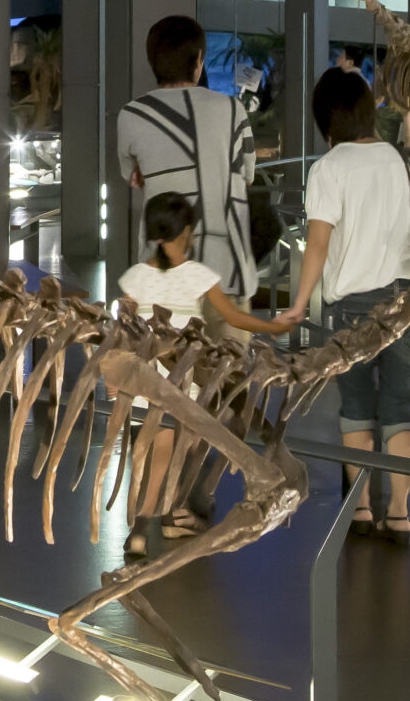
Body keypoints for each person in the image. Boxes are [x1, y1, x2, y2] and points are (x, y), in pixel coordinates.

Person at [286, 66, 410, 541]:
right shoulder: (397, 159)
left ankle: (363, 508)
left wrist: (299, 303)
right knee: (399, 403)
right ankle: (402, 514)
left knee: (354, 406)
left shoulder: (330, 167)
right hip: (408, 303)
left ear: (325, 119)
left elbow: (319, 244)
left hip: (352, 308)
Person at [116, 192, 295, 556]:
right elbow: (233, 317)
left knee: (156, 450)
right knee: (171, 450)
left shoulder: (135, 276)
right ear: (189, 233)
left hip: (146, 378)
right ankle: (142, 527)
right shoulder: (199, 275)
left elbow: (126, 323)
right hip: (177, 383)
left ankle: (160, 518)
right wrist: (273, 327)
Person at [117, 16, 264, 294]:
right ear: (199, 60)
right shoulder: (233, 110)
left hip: (163, 274)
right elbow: (247, 175)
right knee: (227, 336)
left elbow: (132, 177)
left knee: (164, 337)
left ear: (153, 62)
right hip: (226, 270)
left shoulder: (131, 115)